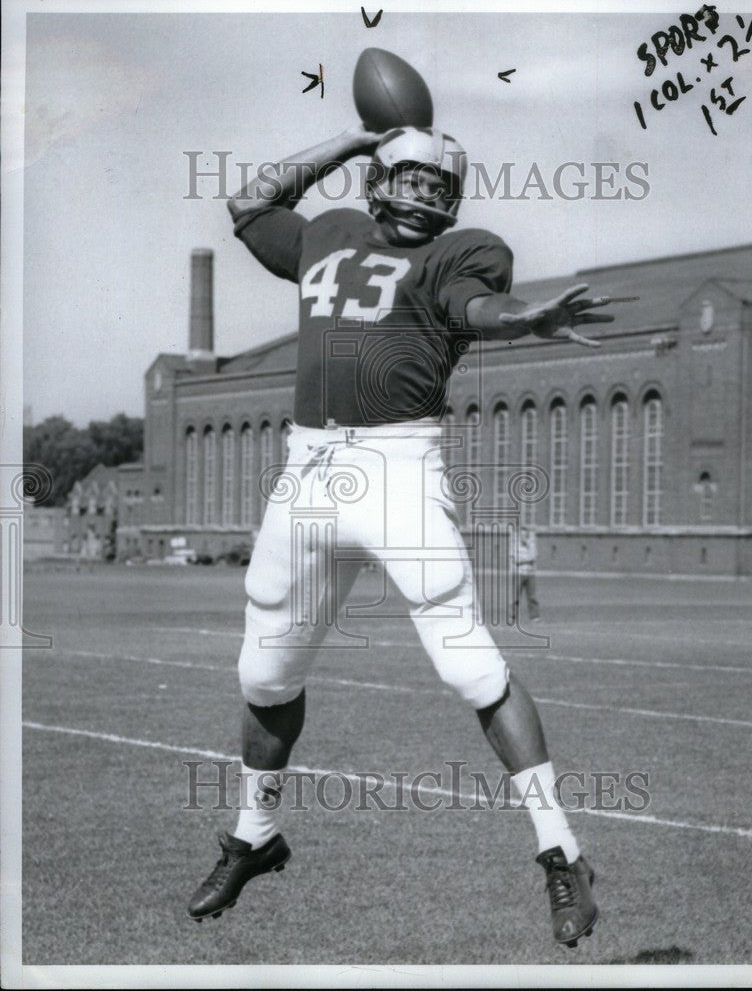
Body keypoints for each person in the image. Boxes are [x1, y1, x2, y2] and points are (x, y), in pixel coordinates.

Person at [187, 124, 616, 948]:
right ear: (375, 181)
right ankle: (254, 835)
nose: (425, 199)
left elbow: (479, 308)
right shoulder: (326, 233)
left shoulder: (463, 254)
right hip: (307, 470)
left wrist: (526, 320)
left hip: (396, 469)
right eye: (409, 182)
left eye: (438, 188)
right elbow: (247, 201)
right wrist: (348, 139)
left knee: (469, 663)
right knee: (266, 675)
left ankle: (561, 852)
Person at [513, 527, 541, 622]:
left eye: (525, 535)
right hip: (518, 574)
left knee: (532, 596)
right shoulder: (515, 546)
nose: (523, 537)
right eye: (521, 535)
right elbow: (516, 560)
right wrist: (529, 559)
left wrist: (526, 557)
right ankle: (513, 617)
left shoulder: (531, 545)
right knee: (515, 596)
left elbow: (534, 556)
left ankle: (535, 616)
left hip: (530, 574)